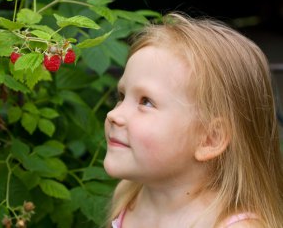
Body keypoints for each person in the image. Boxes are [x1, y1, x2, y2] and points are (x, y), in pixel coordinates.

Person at [103, 12, 283, 228]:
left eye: (146, 102)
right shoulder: (129, 195)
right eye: (121, 97)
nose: (114, 115)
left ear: (209, 139)